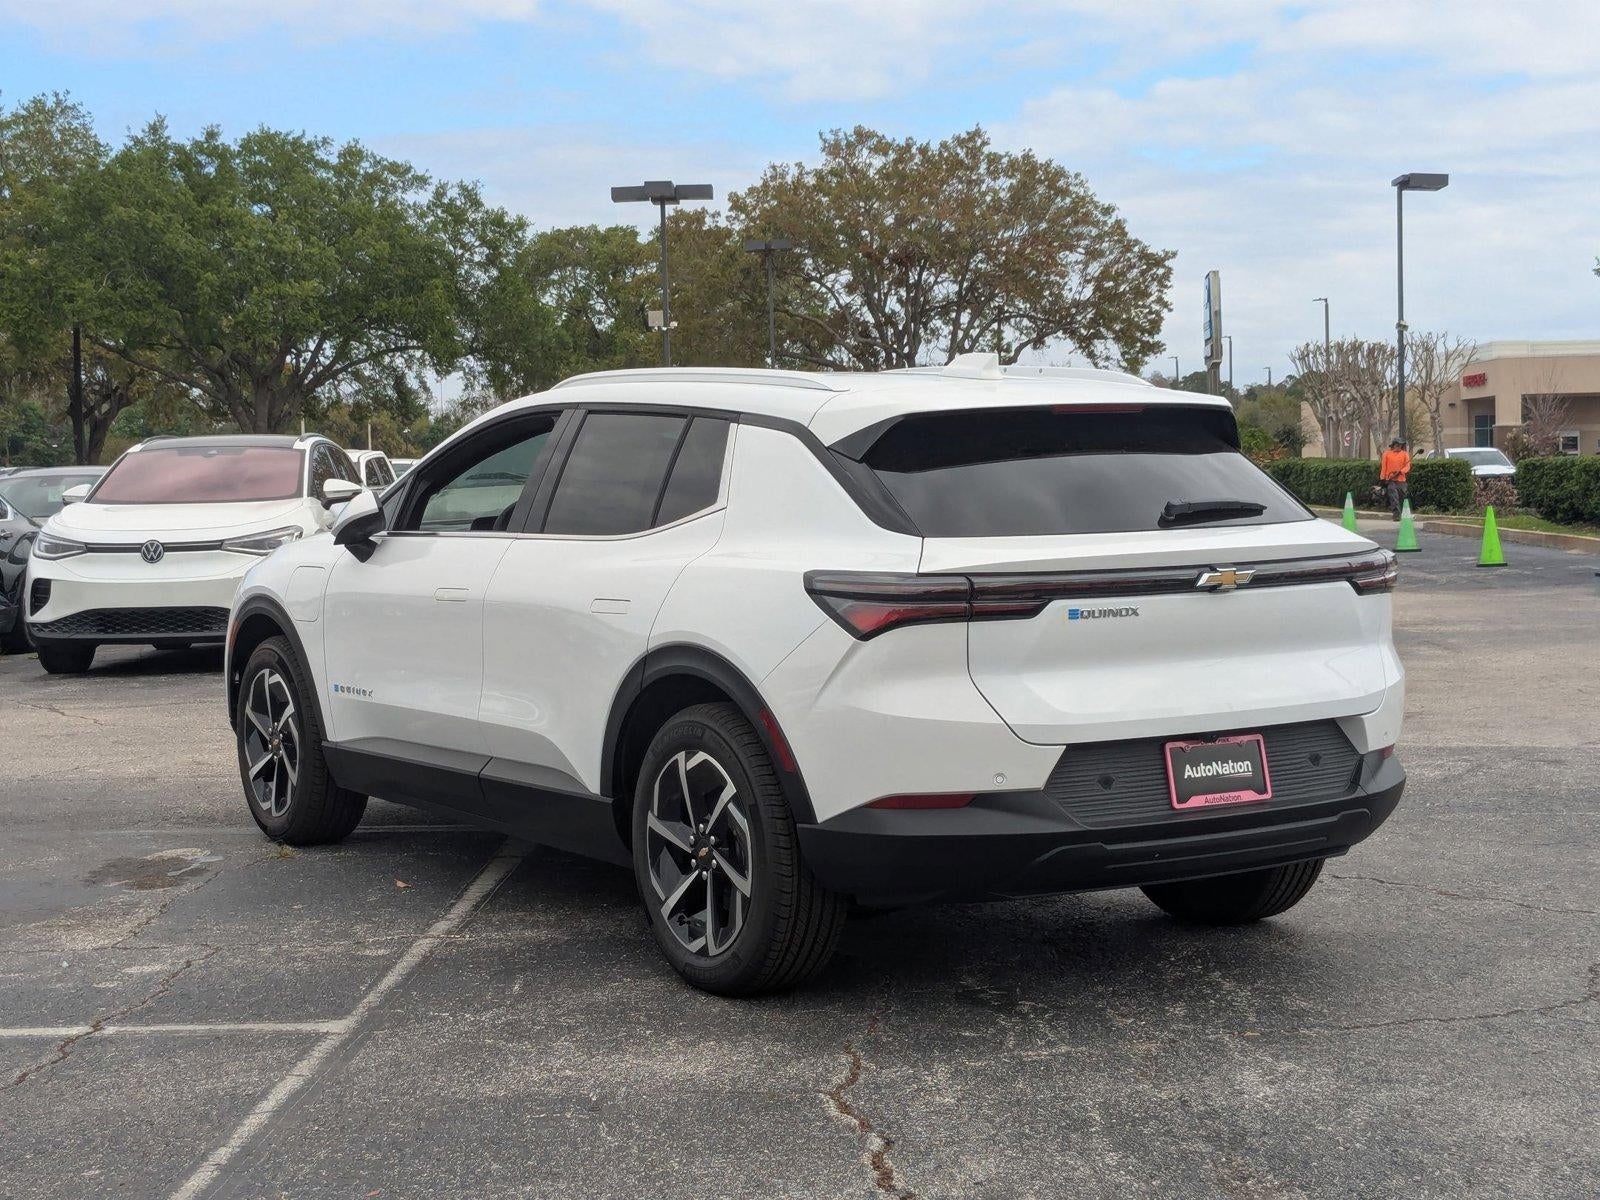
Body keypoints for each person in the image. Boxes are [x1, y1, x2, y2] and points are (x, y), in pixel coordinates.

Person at [1380, 438, 1411, 521]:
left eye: (1400, 445)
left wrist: (1401, 471)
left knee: (1402, 496)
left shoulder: (1405, 454)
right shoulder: (1387, 454)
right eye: (1397, 445)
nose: (1398, 447)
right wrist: (1382, 478)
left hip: (1401, 480)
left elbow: (1407, 466)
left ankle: (1402, 512)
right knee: (1394, 495)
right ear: (1393, 445)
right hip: (1390, 480)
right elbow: (1384, 467)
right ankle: (1396, 514)